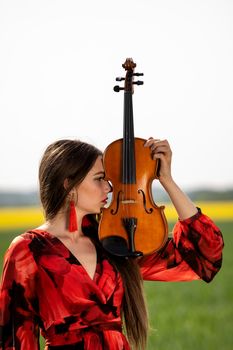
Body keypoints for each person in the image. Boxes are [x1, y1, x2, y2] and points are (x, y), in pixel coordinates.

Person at [0, 138, 224, 350]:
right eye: (99, 179)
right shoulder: (28, 249)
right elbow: (14, 339)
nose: (109, 187)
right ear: (69, 185)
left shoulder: (114, 241)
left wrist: (166, 179)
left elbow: (204, 259)